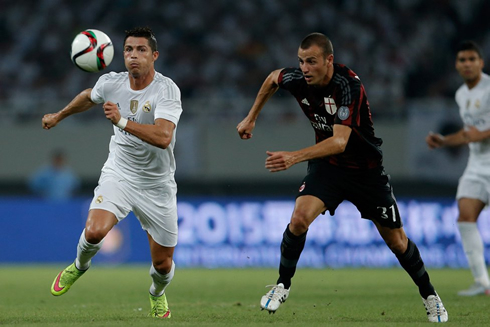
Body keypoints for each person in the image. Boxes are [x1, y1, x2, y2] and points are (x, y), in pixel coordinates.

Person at [237, 32, 448, 323]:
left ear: (329, 60)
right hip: (329, 168)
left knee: (398, 243)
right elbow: (273, 77)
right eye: (301, 62)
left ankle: (430, 296)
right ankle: (282, 285)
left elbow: (340, 141)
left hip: (366, 172)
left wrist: (294, 157)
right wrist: (251, 117)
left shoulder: (348, 86)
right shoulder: (298, 79)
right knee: (298, 219)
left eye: (311, 61)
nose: (305, 68)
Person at [42, 27, 182, 318]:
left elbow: (163, 137)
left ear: (154, 55)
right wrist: (59, 115)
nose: (133, 56)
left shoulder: (166, 90)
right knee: (93, 232)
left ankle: (157, 293)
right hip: (120, 173)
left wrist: (122, 121)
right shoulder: (111, 83)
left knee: (163, 265)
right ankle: (78, 267)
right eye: (129, 49)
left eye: (141, 50)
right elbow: (88, 96)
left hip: (157, 185)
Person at [426, 40, 490, 297]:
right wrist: (444, 141)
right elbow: (468, 134)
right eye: (462, 60)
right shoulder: (461, 94)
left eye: (472, 59)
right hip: (476, 165)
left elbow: (477, 133)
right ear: (456, 65)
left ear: (481, 63)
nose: (467, 64)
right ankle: (483, 283)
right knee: (465, 217)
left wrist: (482, 135)